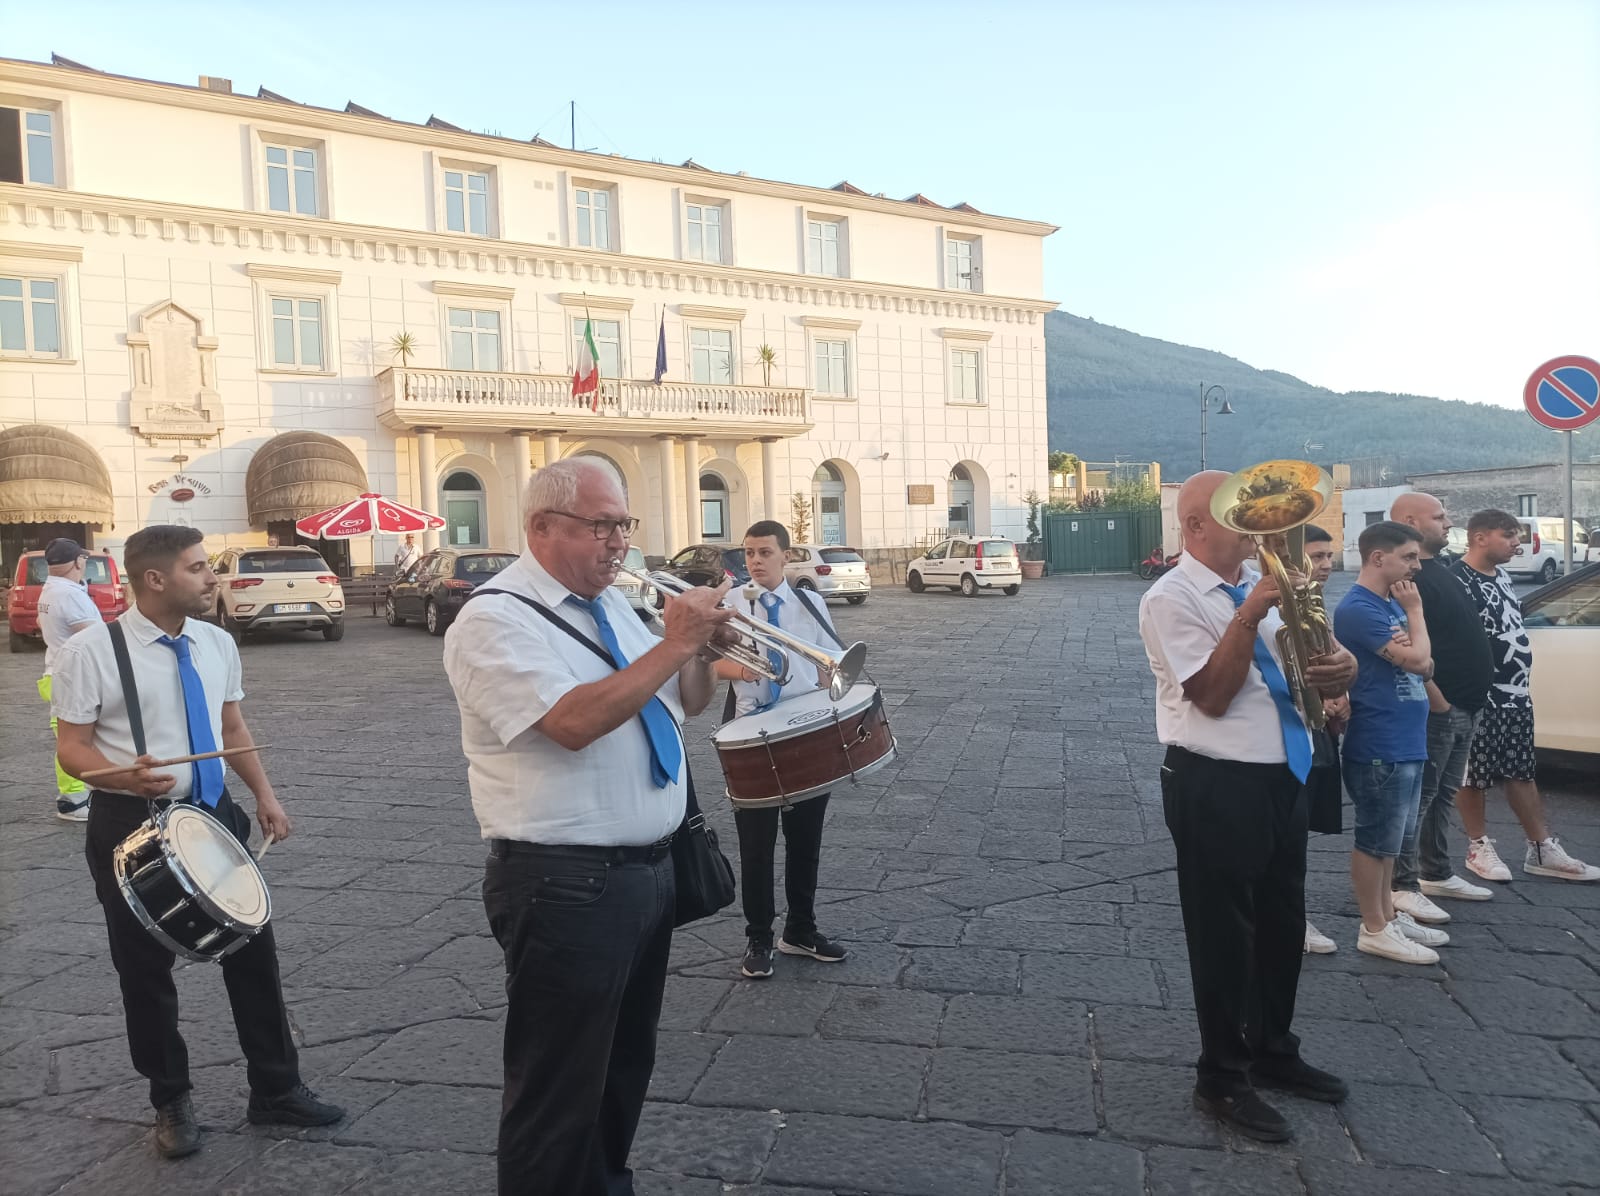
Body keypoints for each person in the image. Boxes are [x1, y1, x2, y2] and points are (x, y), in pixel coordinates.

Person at [441, 458, 734, 1196]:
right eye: (601, 526)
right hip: (565, 885)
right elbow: (572, 723)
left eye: (623, 525)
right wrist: (675, 642)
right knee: (557, 1090)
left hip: (649, 873)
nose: (619, 542)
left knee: (622, 1068)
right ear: (542, 526)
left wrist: (703, 652)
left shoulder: (615, 610)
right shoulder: (494, 619)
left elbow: (684, 702)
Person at [50, 525, 343, 1160]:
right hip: (131, 822)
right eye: (198, 567)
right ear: (155, 579)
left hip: (213, 814)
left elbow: (231, 726)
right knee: (144, 971)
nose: (212, 578)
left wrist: (264, 796)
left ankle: (276, 1088)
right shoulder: (91, 651)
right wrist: (118, 774)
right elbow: (71, 747)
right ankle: (171, 1099)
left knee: (254, 953)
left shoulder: (216, 642)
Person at [1138, 471, 1356, 1143]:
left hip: (1287, 772)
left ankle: (1272, 1048)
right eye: (1241, 519)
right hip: (1216, 781)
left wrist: (1341, 671)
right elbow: (1211, 694)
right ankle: (1222, 1077)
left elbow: (1320, 658)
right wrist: (1249, 613)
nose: (1259, 531)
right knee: (1223, 935)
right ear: (1195, 527)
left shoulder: (1268, 585)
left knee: (1282, 922)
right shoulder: (1170, 598)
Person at [715, 520, 850, 980]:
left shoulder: (810, 604)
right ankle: (758, 936)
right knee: (756, 843)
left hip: (803, 730)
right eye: (749, 553)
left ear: (785, 556)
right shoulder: (731, 604)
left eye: (765, 552)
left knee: (805, 838)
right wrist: (741, 670)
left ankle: (801, 930)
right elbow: (703, 664)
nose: (755, 561)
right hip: (749, 732)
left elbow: (830, 663)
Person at [1452, 509, 1599, 883]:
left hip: (1516, 693)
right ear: (1480, 538)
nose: (1516, 543)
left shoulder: (1502, 576)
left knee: (1521, 769)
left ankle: (1541, 848)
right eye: (1508, 536)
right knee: (1473, 772)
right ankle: (1477, 846)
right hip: (1481, 693)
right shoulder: (1457, 580)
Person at [1333, 521, 1450, 964]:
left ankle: (1387, 915)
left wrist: (1416, 647)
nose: (1416, 565)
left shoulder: (1386, 606)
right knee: (1375, 840)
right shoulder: (1361, 609)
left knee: (1392, 842)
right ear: (1378, 558)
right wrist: (1415, 614)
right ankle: (1374, 927)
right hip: (1380, 741)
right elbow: (1419, 661)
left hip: (1404, 738)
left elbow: (1427, 663)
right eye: (1409, 557)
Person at [1388, 493, 1495, 915]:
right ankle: (1400, 884)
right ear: (1411, 521)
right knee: (1419, 798)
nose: (1448, 522)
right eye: (1439, 516)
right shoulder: (1406, 581)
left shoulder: (1440, 570)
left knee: (1441, 796)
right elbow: (1404, 644)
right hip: (1441, 708)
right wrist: (1439, 701)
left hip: (1465, 705)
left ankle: (1434, 871)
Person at [1300, 524, 1344, 955]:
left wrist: (1340, 692)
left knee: (1299, 831)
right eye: (1316, 556)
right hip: (1295, 732)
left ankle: (1291, 913)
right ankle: (1288, 917)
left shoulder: (1316, 602)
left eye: (1328, 556)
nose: (1327, 564)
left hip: (1318, 731)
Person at [36, 538, 102, 821]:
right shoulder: (69, 595)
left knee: (72, 738)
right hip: (73, 677)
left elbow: (41, 624)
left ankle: (79, 793)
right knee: (73, 741)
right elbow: (93, 638)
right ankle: (73, 801)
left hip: (58, 672)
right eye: (83, 558)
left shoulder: (51, 590)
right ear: (77, 561)